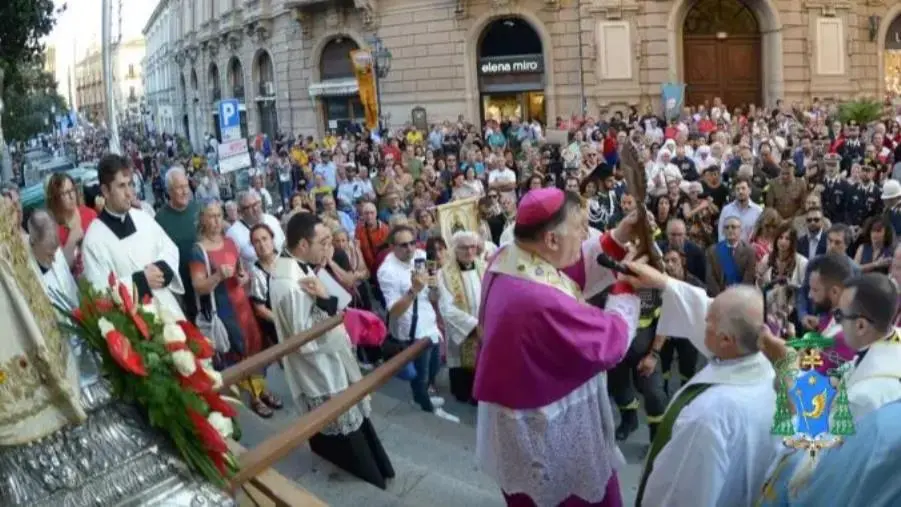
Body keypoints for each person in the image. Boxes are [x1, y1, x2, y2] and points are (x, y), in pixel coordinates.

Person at [474, 188, 642, 507]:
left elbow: (565, 271)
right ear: (551, 239)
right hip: (546, 426)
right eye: (580, 227)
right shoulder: (537, 300)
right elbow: (611, 341)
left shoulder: (510, 256)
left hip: (523, 409)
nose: (586, 235)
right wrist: (626, 286)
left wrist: (617, 237)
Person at [621, 262, 780, 507]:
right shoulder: (766, 368)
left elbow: (683, 495)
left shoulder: (708, 416)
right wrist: (664, 283)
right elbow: (711, 310)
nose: (702, 319)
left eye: (709, 320)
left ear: (726, 339)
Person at [269, 212, 395, 489]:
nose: (329, 247)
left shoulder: (297, 266)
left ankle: (379, 471)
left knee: (355, 420)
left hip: (331, 361)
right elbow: (305, 339)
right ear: (303, 244)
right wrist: (327, 304)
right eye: (323, 241)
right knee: (341, 428)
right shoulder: (289, 284)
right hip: (320, 371)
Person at [81, 154, 184, 317]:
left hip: (168, 308)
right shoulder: (93, 240)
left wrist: (162, 268)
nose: (129, 193)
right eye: (121, 186)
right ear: (105, 191)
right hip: (134, 323)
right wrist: (140, 281)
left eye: (130, 184)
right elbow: (99, 293)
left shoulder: (142, 217)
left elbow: (169, 248)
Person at [377, 225, 461, 423]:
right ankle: (426, 406)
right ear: (392, 247)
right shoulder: (387, 271)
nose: (410, 248)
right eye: (403, 245)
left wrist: (433, 289)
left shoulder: (421, 256)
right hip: (411, 331)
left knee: (435, 367)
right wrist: (413, 290)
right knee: (421, 376)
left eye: (412, 242)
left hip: (429, 322)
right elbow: (395, 311)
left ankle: (423, 396)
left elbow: (431, 290)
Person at [435, 230, 485, 404]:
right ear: (455, 249)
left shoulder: (483, 266)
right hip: (462, 330)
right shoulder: (444, 274)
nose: (470, 252)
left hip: (484, 328)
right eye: (464, 248)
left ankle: (480, 394)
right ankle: (464, 394)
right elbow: (446, 308)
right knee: (462, 370)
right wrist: (473, 325)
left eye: (473, 247)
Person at [155, 166, 201, 321]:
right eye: (179, 188)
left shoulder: (198, 208)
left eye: (186, 186)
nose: (184, 191)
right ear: (169, 191)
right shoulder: (160, 219)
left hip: (204, 278)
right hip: (182, 284)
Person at [45, 172, 97, 276]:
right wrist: (73, 236)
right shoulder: (53, 230)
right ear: (56, 199)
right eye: (64, 193)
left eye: (72, 190)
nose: (71, 196)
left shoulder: (89, 214)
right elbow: (61, 269)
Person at [27, 210, 79, 309]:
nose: (55, 259)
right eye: (49, 255)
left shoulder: (53, 247)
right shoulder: (27, 267)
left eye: (56, 251)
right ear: (34, 241)